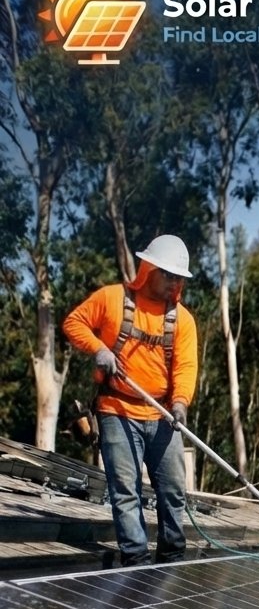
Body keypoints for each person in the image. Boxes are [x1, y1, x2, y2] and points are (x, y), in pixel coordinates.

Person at [63, 235, 198, 566]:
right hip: (117, 410)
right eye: (168, 274)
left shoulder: (182, 320)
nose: (174, 282)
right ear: (148, 269)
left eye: (179, 277)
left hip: (163, 415)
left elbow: (185, 366)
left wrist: (180, 403)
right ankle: (137, 563)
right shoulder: (111, 299)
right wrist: (99, 349)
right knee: (126, 490)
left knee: (172, 492)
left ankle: (171, 559)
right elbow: (73, 323)